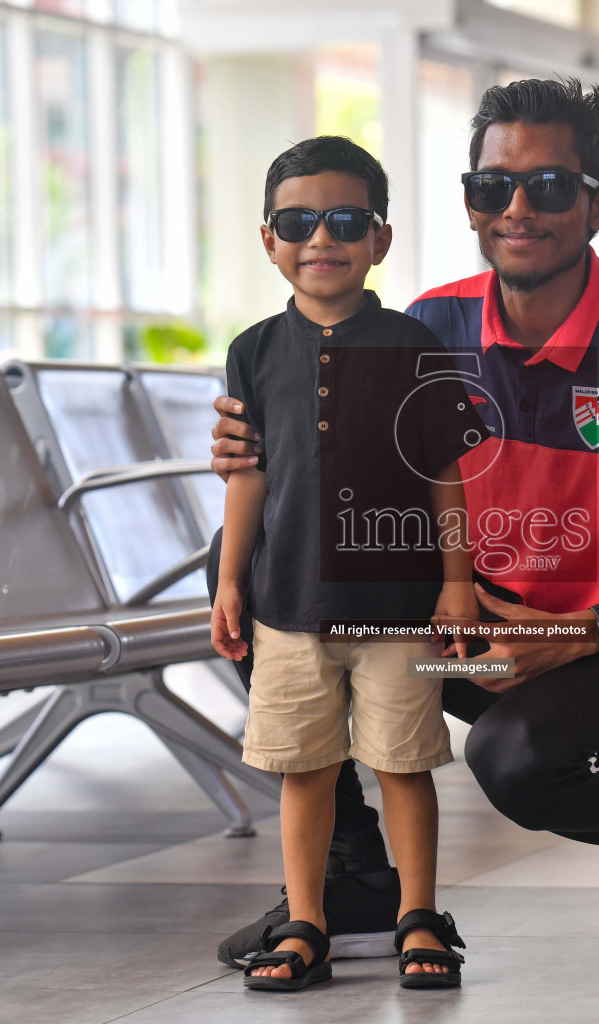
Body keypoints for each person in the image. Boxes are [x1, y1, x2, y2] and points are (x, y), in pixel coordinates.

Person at [210, 77, 599, 965]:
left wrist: (584, 632)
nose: (516, 209)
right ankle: (350, 871)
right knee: (269, 569)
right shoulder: (425, 325)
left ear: (598, 205)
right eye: (492, 188)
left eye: (549, 187)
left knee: (518, 760)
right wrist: (252, 447)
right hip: (469, 631)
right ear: (471, 203)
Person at [211, 136, 484, 991]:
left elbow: (445, 471)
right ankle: (306, 921)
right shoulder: (252, 351)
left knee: (403, 763)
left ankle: (419, 916)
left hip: (395, 607)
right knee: (305, 768)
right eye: (298, 221)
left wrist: (456, 581)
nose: (320, 238)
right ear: (269, 240)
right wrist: (229, 578)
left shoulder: (411, 345)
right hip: (285, 604)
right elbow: (248, 473)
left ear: (380, 239)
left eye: (344, 220)